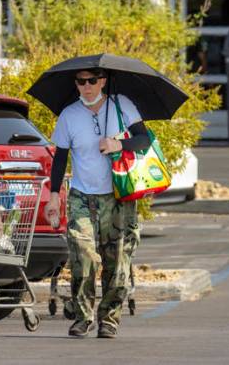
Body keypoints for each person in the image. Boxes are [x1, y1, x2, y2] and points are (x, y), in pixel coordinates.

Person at [43, 68, 151, 339]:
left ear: (102, 81)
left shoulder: (121, 105)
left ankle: (110, 318)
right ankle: (83, 315)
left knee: (117, 262)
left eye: (92, 80)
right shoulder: (69, 115)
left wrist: (118, 145)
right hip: (82, 197)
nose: (87, 86)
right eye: (81, 81)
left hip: (118, 197)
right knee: (83, 256)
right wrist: (54, 195)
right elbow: (60, 159)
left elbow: (144, 140)